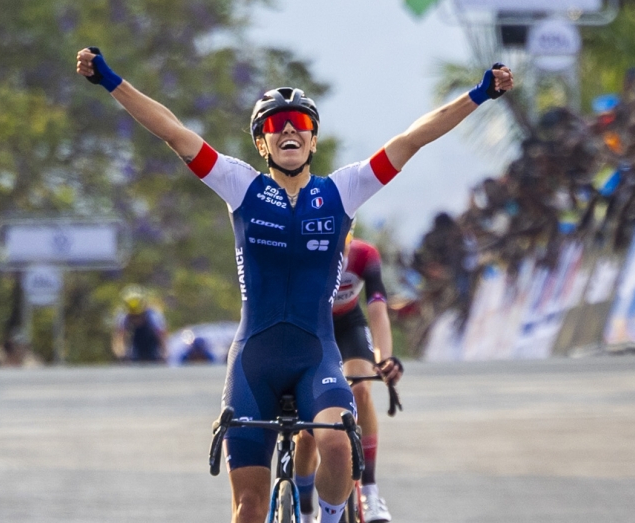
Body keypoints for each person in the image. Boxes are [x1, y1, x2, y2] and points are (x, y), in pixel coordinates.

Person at [75, 46, 513, 523]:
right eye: (274, 124)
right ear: (262, 144)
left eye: (299, 124)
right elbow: (172, 131)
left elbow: (412, 140)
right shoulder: (239, 185)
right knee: (249, 509)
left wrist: (480, 94)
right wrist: (109, 78)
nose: (287, 130)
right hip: (254, 360)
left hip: (315, 353)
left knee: (336, 443)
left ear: (313, 141)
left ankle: (326, 517)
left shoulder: (342, 190)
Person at [293, 229, 402, 523]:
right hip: (312, 329)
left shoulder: (366, 256)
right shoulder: (303, 254)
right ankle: (304, 510)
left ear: (350, 241)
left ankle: (369, 490)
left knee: (362, 389)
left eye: (341, 251)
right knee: (306, 432)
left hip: (349, 325)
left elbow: (378, 313)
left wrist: (384, 358)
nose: (337, 260)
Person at [112, 286, 167, 363]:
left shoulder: (154, 316)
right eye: (133, 316)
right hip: (136, 344)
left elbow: (162, 337)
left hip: (153, 344)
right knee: (133, 359)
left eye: (139, 316)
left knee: (155, 358)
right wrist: (121, 353)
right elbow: (119, 338)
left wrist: (164, 353)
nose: (136, 319)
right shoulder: (123, 316)